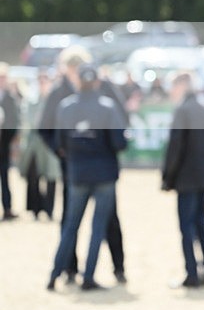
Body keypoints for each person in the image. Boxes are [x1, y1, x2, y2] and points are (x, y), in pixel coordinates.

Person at [39, 46, 128, 283]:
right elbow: (46, 130)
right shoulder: (60, 94)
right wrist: (63, 153)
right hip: (77, 167)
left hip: (86, 166)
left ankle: (117, 267)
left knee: (107, 220)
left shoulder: (103, 89)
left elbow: (121, 121)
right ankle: (72, 269)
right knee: (73, 220)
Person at [162, 72, 204, 288]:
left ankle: (191, 274)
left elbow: (175, 148)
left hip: (186, 178)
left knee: (186, 227)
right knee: (202, 224)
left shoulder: (182, 110)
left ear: (182, 85)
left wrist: (167, 177)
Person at [18, 71, 60, 220]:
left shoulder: (54, 100)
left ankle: (49, 209)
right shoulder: (32, 100)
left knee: (51, 177)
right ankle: (35, 208)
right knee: (33, 176)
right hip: (35, 143)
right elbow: (29, 120)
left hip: (49, 143)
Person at [0, 62, 20, 220]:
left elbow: (14, 121)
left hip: (3, 145)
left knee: (5, 178)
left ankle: (7, 207)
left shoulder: (10, 98)